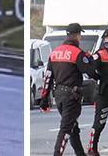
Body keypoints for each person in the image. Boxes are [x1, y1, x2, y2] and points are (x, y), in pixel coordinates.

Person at [40, 23, 95, 156]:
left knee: (72, 128)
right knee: (66, 129)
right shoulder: (77, 53)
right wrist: (89, 59)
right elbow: (90, 71)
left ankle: (80, 153)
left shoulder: (55, 52)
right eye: (80, 35)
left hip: (58, 95)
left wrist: (44, 100)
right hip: (72, 96)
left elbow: (48, 77)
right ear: (77, 35)